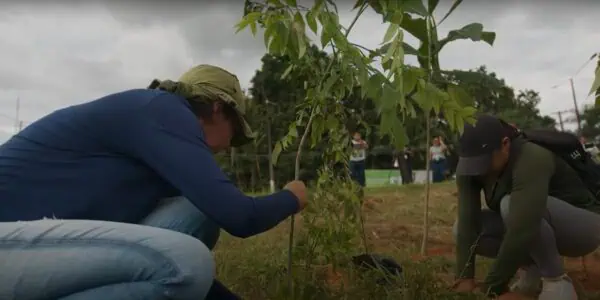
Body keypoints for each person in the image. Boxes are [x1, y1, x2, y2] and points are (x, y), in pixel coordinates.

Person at [0, 64, 308, 300]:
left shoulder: (157, 139)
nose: (229, 145)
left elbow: (172, 273)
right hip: (8, 242)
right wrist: (292, 197)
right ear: (217, 108)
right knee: (188, 263)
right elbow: (241, 217)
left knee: (195, 213)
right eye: (235, 132)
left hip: (34, 247)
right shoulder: (162, 111)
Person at [452, 114, 600, 300]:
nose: (477, 170)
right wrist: (464, 278)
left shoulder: (531, 157)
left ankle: (557, 282)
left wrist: (491, 287)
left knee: (510, 205)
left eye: (484, 161)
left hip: (585, 227)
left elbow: (523, 227)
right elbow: (468, 223)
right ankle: (532, 272)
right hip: (532, 224)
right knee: (459, 229)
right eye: (471, 163)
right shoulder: (469, 168)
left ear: (505, 144)